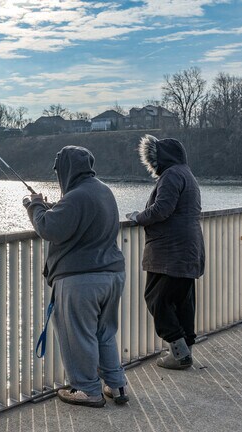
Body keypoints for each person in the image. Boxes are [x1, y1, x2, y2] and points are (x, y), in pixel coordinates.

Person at [23, 145, 129, 408]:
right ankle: (116, 385)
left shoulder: (77, 196)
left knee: (77, 335)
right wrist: (52, 206)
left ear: (66, 170)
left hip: (81, 280)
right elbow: (76, 219)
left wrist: (35, 206)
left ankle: (86, 389)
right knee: (104, 333)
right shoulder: (103, 191)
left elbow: (49, 227)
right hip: (112, 275)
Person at [126, 134, 205, 370]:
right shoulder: (187, 174)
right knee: (182, 300)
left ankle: (179, 353)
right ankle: (185, 349)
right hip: (188, 248)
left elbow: (162, 209)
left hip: (170, 251)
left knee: (156, 299)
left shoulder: (171, 175)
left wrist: (138, 217)